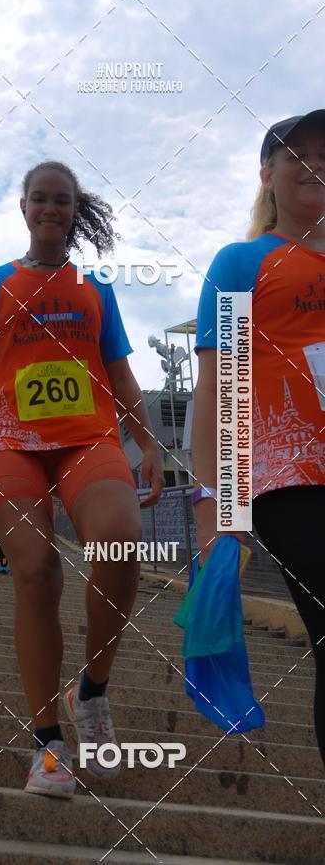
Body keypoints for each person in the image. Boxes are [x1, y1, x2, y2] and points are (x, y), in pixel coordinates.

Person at [0, 160, 164, 798]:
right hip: (10, 443)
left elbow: (118, 375)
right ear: (25, 207)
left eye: (62, 200)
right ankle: (48, 743)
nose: (51, 209)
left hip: (87, 440)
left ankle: (91, 692)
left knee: (121, 543)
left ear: (72, 209)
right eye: (40, 199)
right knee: (35, 571)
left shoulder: (96, 289)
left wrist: (147, 442)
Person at [193, 110, 325, 766]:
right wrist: (217, 502)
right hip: (287, 476)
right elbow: (218, 386)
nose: (313, 163)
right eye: (295, 153)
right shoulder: (243, 262)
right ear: (268, 174)